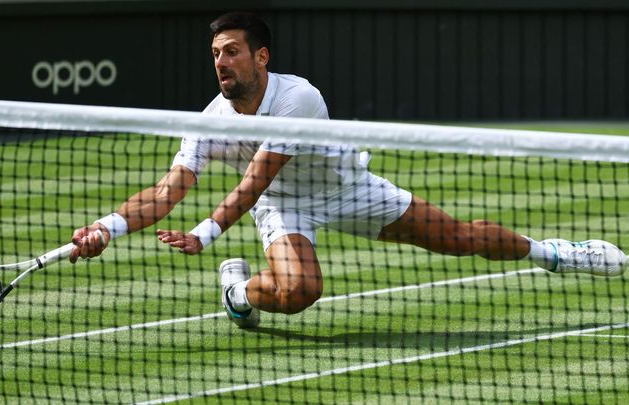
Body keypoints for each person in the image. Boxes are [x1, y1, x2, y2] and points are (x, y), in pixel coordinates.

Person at [69, 12, 627, 329]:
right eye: (216, 53)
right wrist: (106, 228)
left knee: (461, 238)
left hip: (347, 188)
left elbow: (257, 174)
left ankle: (558, 254)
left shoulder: (297, 98)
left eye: (232, 51)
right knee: (299, 292)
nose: (221, 61)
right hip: (286, 205)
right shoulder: (208, 121)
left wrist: (206, 231)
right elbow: (168, 192)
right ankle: (239, 292)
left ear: (261, 57)